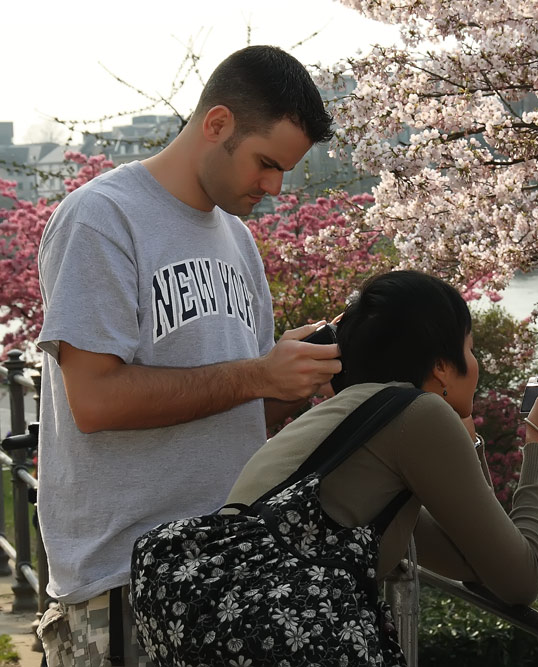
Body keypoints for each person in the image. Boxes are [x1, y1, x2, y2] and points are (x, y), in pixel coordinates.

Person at [35, 45, 341, 666]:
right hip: (124, 581)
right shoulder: (101, 219)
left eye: (284, 170)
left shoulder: (238, 241)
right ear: (218, 124)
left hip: (221, 575)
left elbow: (236, 406)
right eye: (266, 163)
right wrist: (258, 373)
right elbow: (94, 401)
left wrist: (291, 383)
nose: (275, 186)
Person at [226, 271, 538, 608]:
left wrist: (464, 431)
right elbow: (520, 582)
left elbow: (481, 562)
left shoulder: (354, 427)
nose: (475, 363)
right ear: (441, 366)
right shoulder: (417, 417)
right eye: (470, 348)